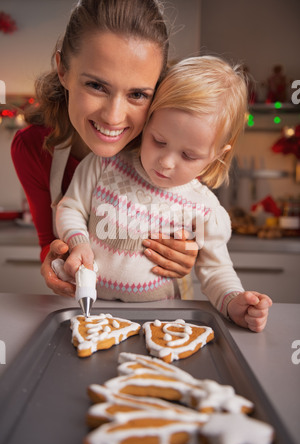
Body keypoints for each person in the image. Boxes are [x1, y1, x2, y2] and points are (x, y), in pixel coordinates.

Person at [56, 56, 272, 332]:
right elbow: (70, 207)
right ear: (148, 121)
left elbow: (216, 271)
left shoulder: (205, 209)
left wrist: (233, 302)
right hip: (90, 310)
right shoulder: (104, 164)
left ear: (217, 154)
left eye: (188, 155)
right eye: (158, 141)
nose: (166, 162)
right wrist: (78, 242)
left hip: (162, 320)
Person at [11, 0, 198, 298]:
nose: (113, 117)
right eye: (96, 86)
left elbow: (196, 215)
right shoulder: (33, 148)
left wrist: (188, 249)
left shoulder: (166, 148)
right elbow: (50, 239)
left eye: (137, 94)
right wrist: (55, 258)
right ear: (63, 70)